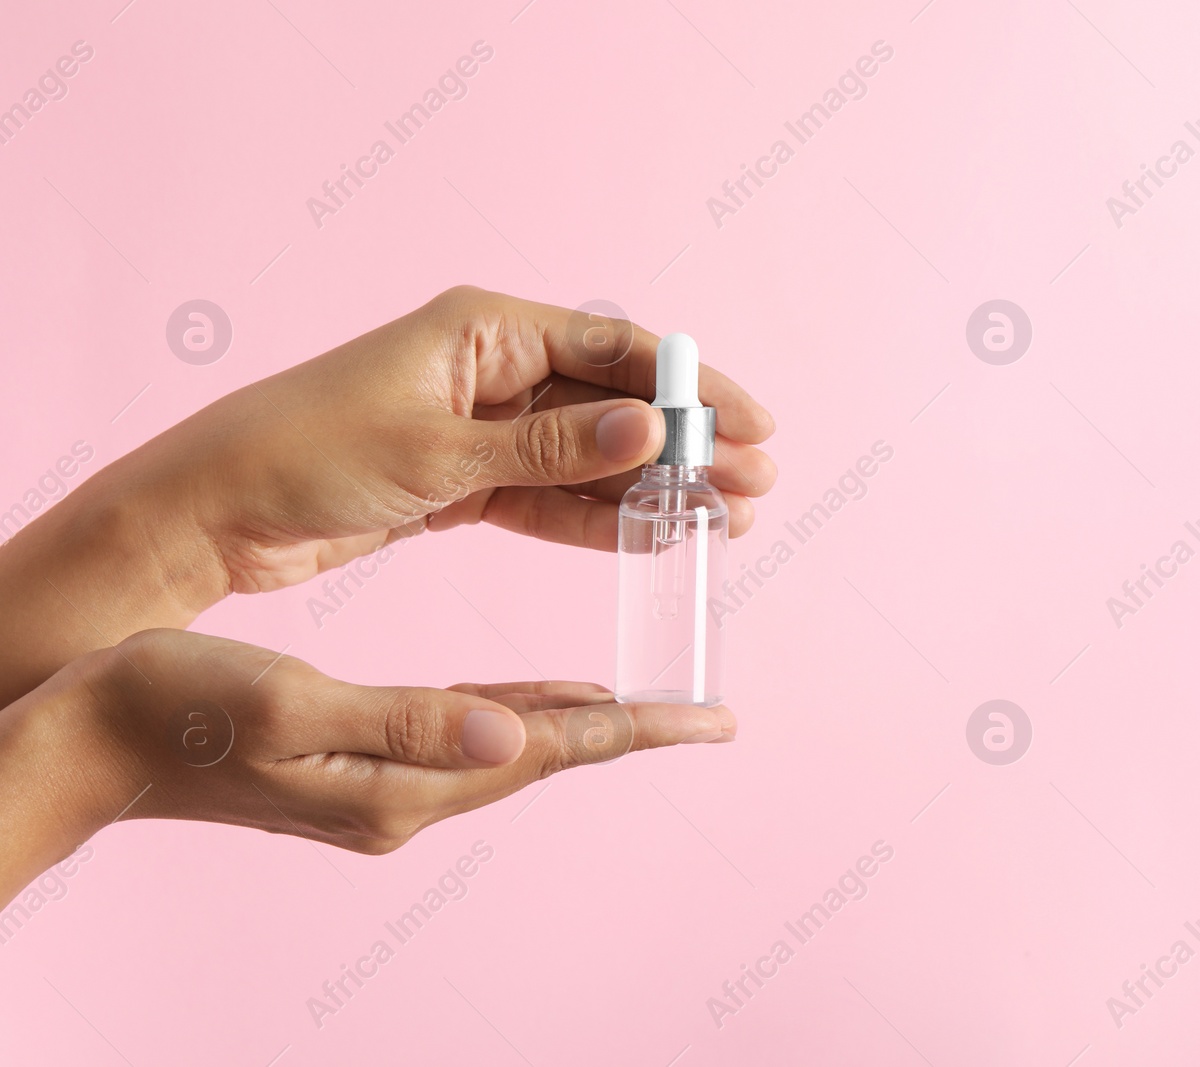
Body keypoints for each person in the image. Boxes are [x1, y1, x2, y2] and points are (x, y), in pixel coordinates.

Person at [0, 287, 777, 904]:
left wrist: (195, 526)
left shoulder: (689, 506)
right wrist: (101, 744)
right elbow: (88, 734)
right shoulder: (669, 505)